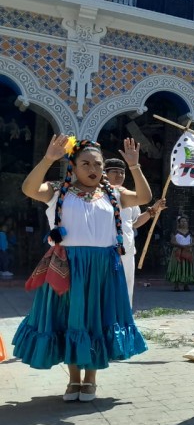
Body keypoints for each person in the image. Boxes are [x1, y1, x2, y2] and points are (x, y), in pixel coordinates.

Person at [13, 135, 151, 401]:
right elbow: (29, 188)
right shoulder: (58, 191)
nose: (93, 170)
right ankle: (73, 380)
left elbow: (144, 196)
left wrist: (134, 166)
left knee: (95, 321)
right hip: (68, 267)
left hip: (102, 269)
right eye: (85, 164)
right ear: (73, 167)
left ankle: (91, 380)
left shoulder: (113, 193)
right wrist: (48, 159)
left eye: (97, 165)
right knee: (70, 320)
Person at [104, 158, 167, 304]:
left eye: (122, 172)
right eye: (115, 172)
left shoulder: (129, 197)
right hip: (105, 249)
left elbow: (134, 223)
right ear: (105, 174)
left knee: (126, 288)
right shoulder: (98, 195)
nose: (119, 175)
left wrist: (153, 211)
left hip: (127, 249)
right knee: (106, 288)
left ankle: (125, 320)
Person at [167, 216, 194, 291]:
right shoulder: (175, 232)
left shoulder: (191, 232)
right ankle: (176, 285)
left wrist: (189, 245)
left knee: (187, 268)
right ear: (179, 223)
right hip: (178, 252)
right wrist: (181, 246)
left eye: (185, 221)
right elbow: (172, 241)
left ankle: (186, 285)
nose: (183, 223)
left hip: (188, 251)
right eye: (182, 221)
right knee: (177, 268)